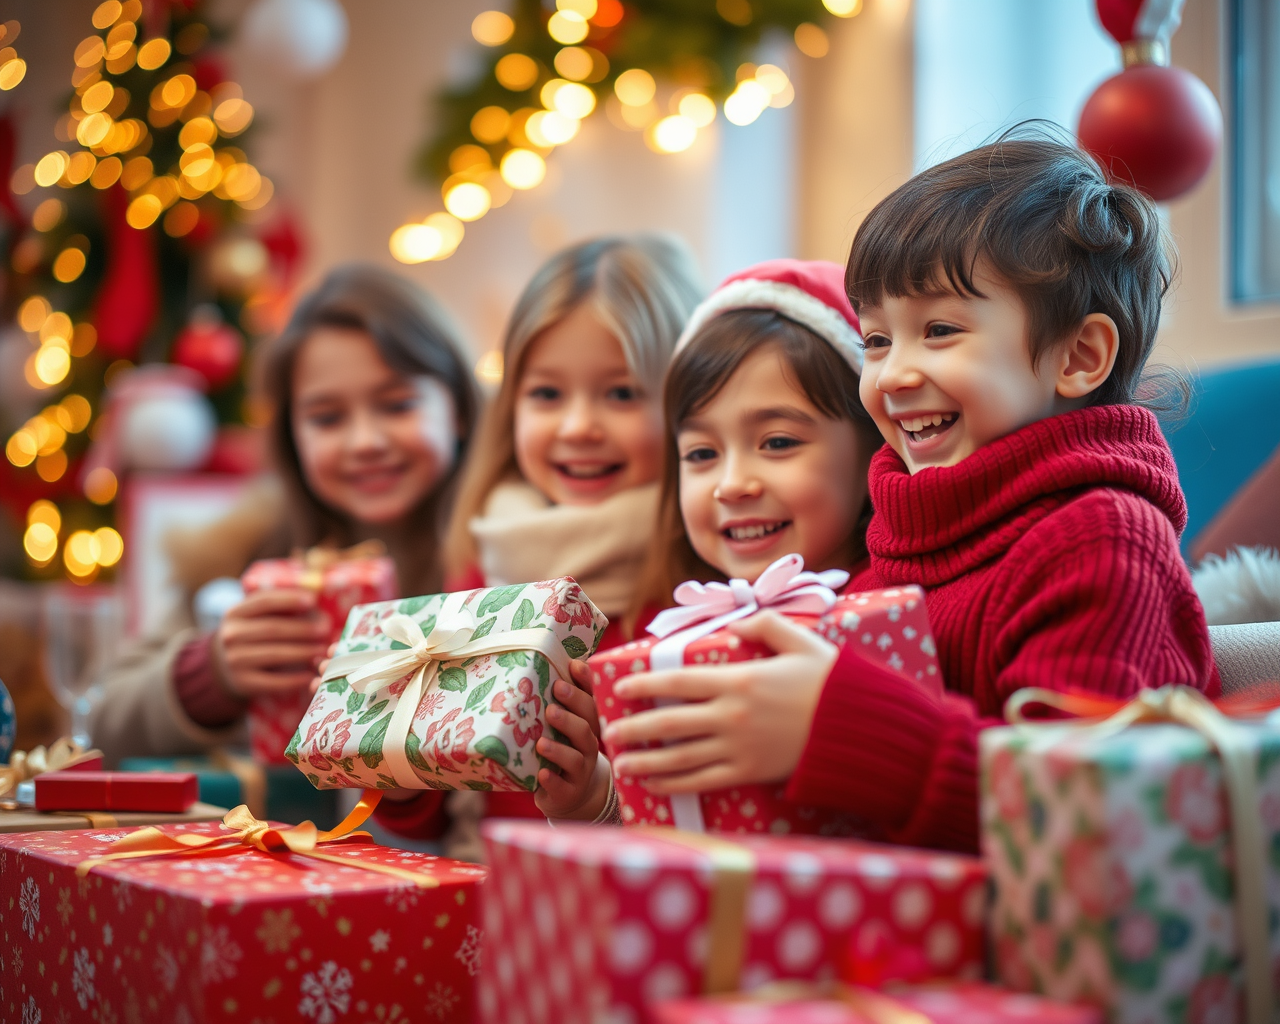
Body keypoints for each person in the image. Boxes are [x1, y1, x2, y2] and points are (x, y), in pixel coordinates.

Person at [595, 135, 1220, 853]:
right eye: (878, 340)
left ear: (1079, 357)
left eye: (939, 330)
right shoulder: (888, 552)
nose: (891, 376)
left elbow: (1097, 823)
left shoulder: (1103, 540)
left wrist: (848, 731)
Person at [371, 234, 703, 857]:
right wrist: (391, 753)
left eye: (622, 393)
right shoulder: (485, 570)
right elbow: (441, 813)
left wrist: (597, 802)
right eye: (547, 394)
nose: (578, 426)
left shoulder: (696, 597)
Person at [90, 265, 478, 764]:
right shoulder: (247, 556)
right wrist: (212, 675)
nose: (364, 442)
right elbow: (104, 718)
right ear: (292, 437)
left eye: (397, 405)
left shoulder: (505, 558)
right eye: (327, 418)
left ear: (460, 409)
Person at [548, 259, 884, 823]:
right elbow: (668, 838)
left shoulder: (890, 610)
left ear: (873, 445)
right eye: (702, 454)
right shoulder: (667, 630)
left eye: (777, 443)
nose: (732, 485)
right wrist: (596, 801)